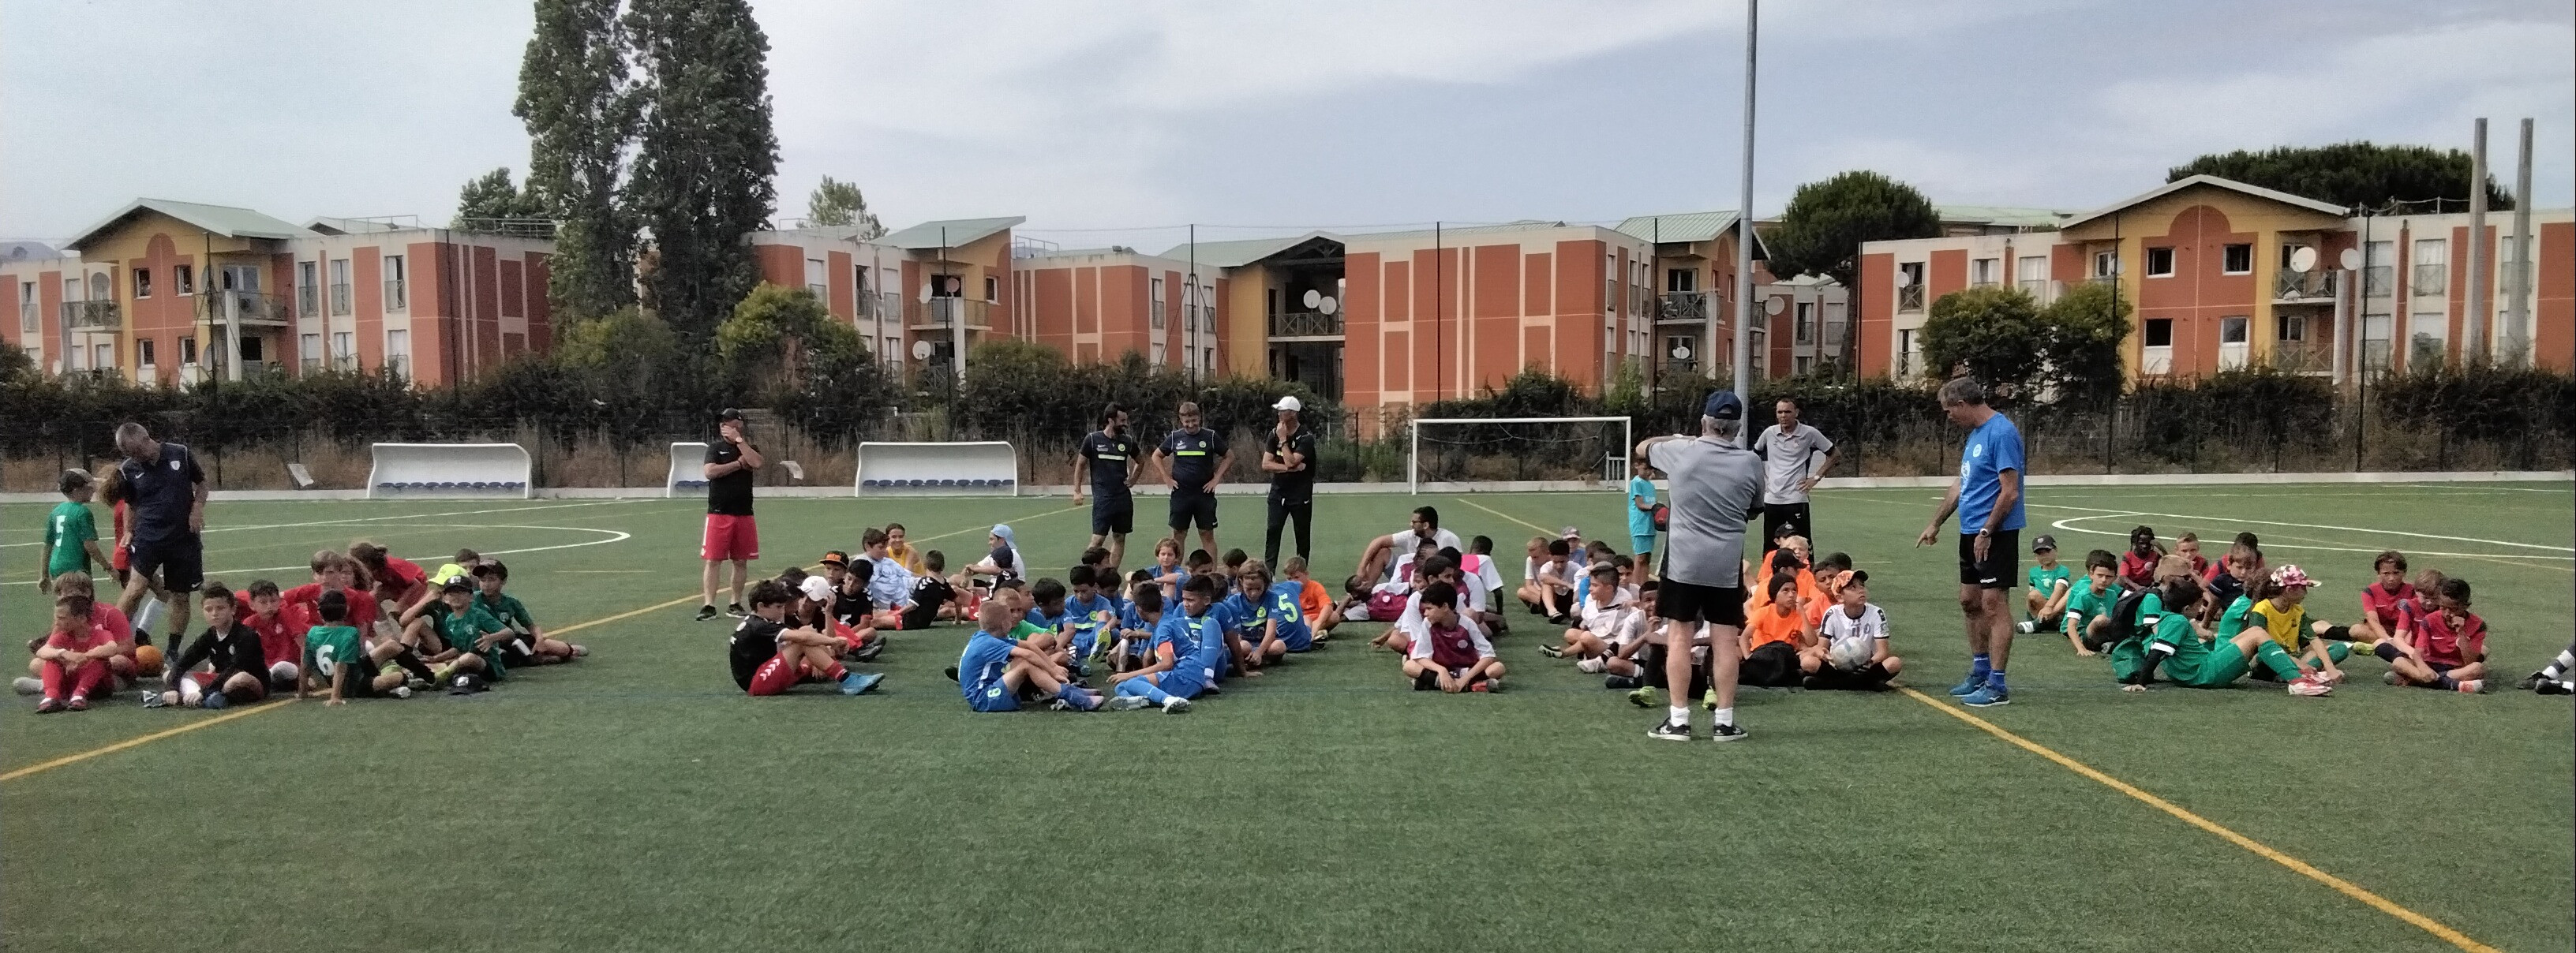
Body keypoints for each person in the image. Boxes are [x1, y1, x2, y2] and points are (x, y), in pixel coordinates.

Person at [1634, 389, 1764, 742]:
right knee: (1725, 641)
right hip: (1725, 565)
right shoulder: (1751, 462)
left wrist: (1684, 438)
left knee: (1679, 637)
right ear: (1737, 428)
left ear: (1705, 422)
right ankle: (1724, 721)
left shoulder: (1681, 451)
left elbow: (1642, 447)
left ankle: (1678, 720)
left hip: (1683, 564)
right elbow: (1754, 508)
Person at [1913, 377, 2024, 708]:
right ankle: (1979, 670)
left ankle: (1997, 684)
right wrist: (1935, 522)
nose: (1949, 417)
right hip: (1970, 532)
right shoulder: (1976, 436)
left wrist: (1988, 531)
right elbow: (1961, 487)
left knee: (1994, 604)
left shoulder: (2002, 433)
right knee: (1969, 601)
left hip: (1995, 534)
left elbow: (2010, 491)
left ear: (1963, 404)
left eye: (1949, 411)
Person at [2135, 579, 2332, 696]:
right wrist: (2142, 682)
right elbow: (2159, 651)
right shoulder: (2177, 621)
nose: (2202, 608)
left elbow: (2157, 649)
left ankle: (2296, 673)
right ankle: (2297, 681)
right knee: (2258, 633)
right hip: (2203, 674)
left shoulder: (2165, 618)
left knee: (2251, 633)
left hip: (2198, 669)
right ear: (2187, 608)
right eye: (2198, 605)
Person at [110, 421, 208, 654]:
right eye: (130, 455)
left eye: (137, 452)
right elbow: (130, 504)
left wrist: (197, 509)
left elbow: (202, 484)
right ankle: (112, 642)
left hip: (183, 536)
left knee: (180, 595)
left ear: (147, 439)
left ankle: (172, 651)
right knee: (135, 589)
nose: (137, 458)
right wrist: (129, 531)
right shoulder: (129, 469)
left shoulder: (180, 453)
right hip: (148, 537)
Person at [728, 581, 882, 697]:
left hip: (765, 674)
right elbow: (802, 638)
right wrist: (833, 641)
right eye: (778, 607)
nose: (782, 611)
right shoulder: (758, 625)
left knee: (806, 637)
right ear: (761, 606)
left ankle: (837, 674)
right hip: (758, 682)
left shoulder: (759, 622)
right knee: (802, 640)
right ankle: (846, 679)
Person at [957, 588, 1099, 712]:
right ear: (1004, 623)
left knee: (1023, 661)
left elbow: (1030, 646)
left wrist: (1053, 666)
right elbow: (1028, 654)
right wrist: (1053, 671)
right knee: (1025, 663)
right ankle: (1072, 696)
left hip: (991, 689)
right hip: (983, 699)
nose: (1015, 618)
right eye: (1010, 616)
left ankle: (1071, 691)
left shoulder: (987, 637)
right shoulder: (989, 643)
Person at [1108, 575, 1229, 712]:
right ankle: (1145, 701)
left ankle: (1168, 700)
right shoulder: (1166, 622)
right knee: (1121, 687)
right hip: (1191, 676)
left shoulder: (1163, 630)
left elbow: (1167, 664)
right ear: (1162, 604)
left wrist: (1130, 675)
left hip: (1185, 677)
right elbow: (1148, 657)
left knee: (1132, 682)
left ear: (1138, 609)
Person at [697, 408, 764, 622]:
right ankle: (709, 605)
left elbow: (757, 463)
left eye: (729, 422)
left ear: (739, 424)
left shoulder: (748, 448)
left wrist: (740, 442)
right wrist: (736, 465)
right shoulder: (715, 448)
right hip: (719, 512)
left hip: (744, 512)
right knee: (713, 560)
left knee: (741, 561)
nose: (723, 425)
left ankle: (735, 603)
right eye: (722, 422)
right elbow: (710, 472)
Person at [155, 584, 268, 708]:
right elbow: (183, 662)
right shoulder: (209, 636)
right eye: (209, 609)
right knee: (169, 675)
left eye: (220, 608)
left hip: (250, 681)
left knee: (238, 679)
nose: (214, 614)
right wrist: (171, 688)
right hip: (221, 680)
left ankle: (204, 695)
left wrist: (203, 691)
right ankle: (194, 696)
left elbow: (236, 668)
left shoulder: (246, 635)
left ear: (233, 610)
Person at [1750, 397, 1839, 552]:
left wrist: (1816, 478)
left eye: (1787, 412)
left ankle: (1806, 575)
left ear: (1796, 413)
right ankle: (1770, 576)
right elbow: (1753, 456)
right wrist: (1763, 479)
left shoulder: (1809, 433)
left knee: (1802, 545)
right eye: (1780, 412)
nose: (1783, 415)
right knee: (1771, 547)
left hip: (1796, 498)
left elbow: (1835, 454)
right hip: (1772, 499)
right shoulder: (1769, 433)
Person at [299, 590, 412, 704]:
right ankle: (409, 678)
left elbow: (305, 666)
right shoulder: (350, 632)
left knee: (390, 646)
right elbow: (340, 666)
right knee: (396, 677)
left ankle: (418, 676)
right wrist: (335, 697)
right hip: (353, 685)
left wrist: (302, 693)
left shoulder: (313, 632)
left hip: (353, 672)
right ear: (346, 610)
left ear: (320, 613)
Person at [1155, 401, 1233, 558]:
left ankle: (1211, 574)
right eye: (1187, 422)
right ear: (1181, 420)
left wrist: (1216, 478)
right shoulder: (1175, 437)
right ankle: (1176, 572)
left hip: (1204, 494)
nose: (1191, 425)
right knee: (1179, 534)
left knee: (1207, 534)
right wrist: (1166, 477)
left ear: (1200, 418)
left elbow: (1229, 456)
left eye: (1194, 421)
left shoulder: (1210, 436)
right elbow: (1156, 456)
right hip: (1181, 493)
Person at [1072, 402, 1144, 570]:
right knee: (1098, 539)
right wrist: (1077, 491)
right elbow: (1080, 465)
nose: (1125, 424)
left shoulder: (1128, 441)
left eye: (1126, 420)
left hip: (1123, 498)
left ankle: (1111, 575)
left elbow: (1141, 461)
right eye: (1122, 420)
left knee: (1120, 537)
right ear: (1110, 420)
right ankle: (1086, 573)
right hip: (1103, 499)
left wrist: (1133, 480)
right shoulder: (1092, 440)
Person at [1803, 570, 1900, 690]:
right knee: (1808, 662)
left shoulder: (1876, 613)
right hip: (1837, 666)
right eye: (1853, 588)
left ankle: (1834, 684)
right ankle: (1866, 684)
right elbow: (1820, 648)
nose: (1861, 590)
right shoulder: (1832, 613)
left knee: (1894, 663)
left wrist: (1871, 662)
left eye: (1862, 586)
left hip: (1866, 666)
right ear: (1840, 597)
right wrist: (1826, 656)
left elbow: (1883, 652)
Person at [2386, 577, 2486, 693]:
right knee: (2398, 662)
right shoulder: (2429, 620)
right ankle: (2454, 685)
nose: (2447, 613)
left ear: (2465, 606)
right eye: (2443, 607)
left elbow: (2470, 661)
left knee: (2478, 668)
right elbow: (2418, 653)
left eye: (2453, 609)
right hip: (2430, 664)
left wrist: (2462, 633)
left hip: (2454, 669)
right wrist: (2424, 669)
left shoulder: (2478, 625)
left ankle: (2415, 680)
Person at [1402, 582, 1502, 693]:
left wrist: (1465, 678)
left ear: (1445, 607)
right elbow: (1420, 656)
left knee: (1497, 668)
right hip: (1440, 670)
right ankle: (1471, 686)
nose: (1425, 613)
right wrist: (1441, 670)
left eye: (1429, 609)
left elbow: (1488, 656)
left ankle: (1435, 684)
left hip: (1466, 671)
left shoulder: (1467, 624)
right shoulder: (1428, 624)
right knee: (1409, 666)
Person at [1260, 395, 1320, 568]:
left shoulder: (1306, 437)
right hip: (1278, 493)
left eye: (1282, 411)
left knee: (1301, 535)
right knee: (1273, 532)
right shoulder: (1274, 434)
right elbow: (1266, 464)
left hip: (1300, 494)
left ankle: (1301, 573)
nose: (1279, 414)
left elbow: (1292, 460)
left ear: (1293, 413)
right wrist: (1290, 469)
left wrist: (1284, 441)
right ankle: (1269, 573)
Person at [32, 596, 118, 712]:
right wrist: (63, 653)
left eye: (62, 618)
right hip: (71, 682)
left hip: (97, 687)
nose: (57, 623)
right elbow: (42, 651)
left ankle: (80, 694)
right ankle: (51, 696)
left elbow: (112, 647)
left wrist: (85, 657)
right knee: (52, 660)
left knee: (100, 660)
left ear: (82, 618)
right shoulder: (63, 636)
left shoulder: (100, 634)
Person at [39, 469, 110, 595]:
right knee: (82, 608)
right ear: (76, 490)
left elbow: (47, 546)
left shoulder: (56, 511)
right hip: (75, 568)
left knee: (65, 606)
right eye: (88, 487)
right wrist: (108, 568)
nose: (92, 490)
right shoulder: (82, 513)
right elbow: (90, 546)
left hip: (56, 567)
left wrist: (44, 575)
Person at [1354, 506, 1464, 585]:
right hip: (1409, 574)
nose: (1411, 525)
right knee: (1382, 552)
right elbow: (1378, 542)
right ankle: (1364, 591)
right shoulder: (1411, 535)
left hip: (1434, 580)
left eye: (1414, 522)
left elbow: (1458, 567)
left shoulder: (1448, 539)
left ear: (1426, 525)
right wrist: (1362, 568)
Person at [1739, 573, 1809, 689]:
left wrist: (1803, 614)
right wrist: (1749, 658)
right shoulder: (1764, 612)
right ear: (1775, 595)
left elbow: (1811, 642)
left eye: (1794, 590)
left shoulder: (1798, 615)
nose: (1791, 595)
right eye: (1785, 591)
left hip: (1785, 657)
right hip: (1763, 656)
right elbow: (1744, 637)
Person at [2057, 550, 2121, 656]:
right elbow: (2071, 625)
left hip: (2104, 633)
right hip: (2086, 636)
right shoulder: (2083, 596)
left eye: (2109, 577)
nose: (2104, 580)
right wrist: (2081, 649)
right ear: (2091, 575)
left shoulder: (2112, 594)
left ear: (2115, 578)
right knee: (2100, 619)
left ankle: (2109, 644)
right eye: (2100, 575)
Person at [2356, 551, 2415, 647]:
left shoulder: (2413, 591)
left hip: (2404, 632)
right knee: (2356, 630)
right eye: (2386, 573)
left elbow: (2416, 620)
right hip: (2382, 632)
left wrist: (2402, 638)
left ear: (2404, 573)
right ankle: (2392, 645)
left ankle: (2387, 646)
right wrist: (2388, 639)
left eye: (2396, 573)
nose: (2391, 578)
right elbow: (2373, 620)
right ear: (2378, 574)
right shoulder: (2370, 591)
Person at [2017, 535, 2072, 636]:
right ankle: (2047, 621)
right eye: (2040, 553)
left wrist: (2049, 607)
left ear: (2055, 550)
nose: (2044, 556)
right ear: (2035, 556)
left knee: (2071, 591)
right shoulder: (2033, 572)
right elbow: (2032, 594)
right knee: (2033, 595)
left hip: (2059, 608)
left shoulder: (2062, 570)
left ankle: (2041, 624)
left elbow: (2059, 589)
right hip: (2041, 609)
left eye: (2047, 551)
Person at [1517, 539, 1578, 623]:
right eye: (1556, 562)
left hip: (1564, 598)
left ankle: (1542, 606)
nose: (1559, 566)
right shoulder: (1545, 565)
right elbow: (1539, 579)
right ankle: (1552, 610)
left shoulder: (1572, 566)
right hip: (1547, 595)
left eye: (1536, 557)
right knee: (1523, 591)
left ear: (1548, 554)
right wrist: (1566, 584)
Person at [1627, 463, 1660, 584]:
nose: (1648, 472)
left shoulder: (1650, 485)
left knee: (1647, 558)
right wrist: (1655, 507)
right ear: (1637, 466)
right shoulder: (1637, 482)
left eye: (1650, 469)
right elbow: (1640, 504)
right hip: (1640, 524)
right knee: (1640, 557)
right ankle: (1636, 587)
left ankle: (1644, 585)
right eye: (1645, 469)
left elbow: (1652, 502)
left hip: (1650, 524)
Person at [2116, 525, 2162, 592]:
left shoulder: (2155, 556)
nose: (2145, 546)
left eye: (2148, 543)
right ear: (2135, 543)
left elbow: (2168, 564)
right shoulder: (2128, 556)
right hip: (2131, 588)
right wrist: (2136, 586)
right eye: (2141, 543)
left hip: (2148, 587)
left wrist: (2161, 548)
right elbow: (2123, 577)